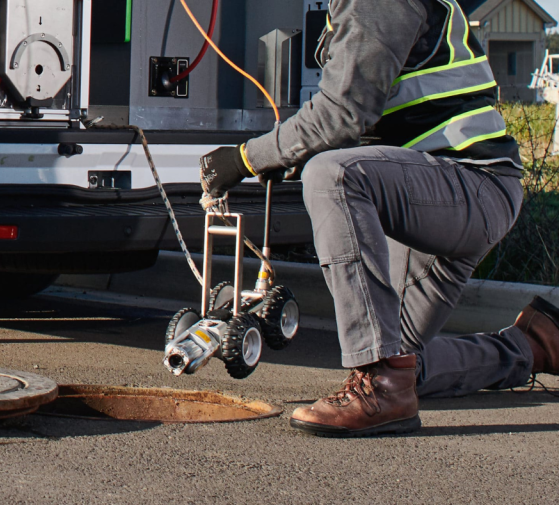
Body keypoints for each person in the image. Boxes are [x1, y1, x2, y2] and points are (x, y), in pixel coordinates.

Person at [199, 0, 559, 437]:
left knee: (331, 177)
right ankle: (534, 344)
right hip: (438, 190)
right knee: (404, 357)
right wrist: (288, 152)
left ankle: (384, 388)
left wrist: (243, 158)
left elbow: (341, 115)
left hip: (468, 185)